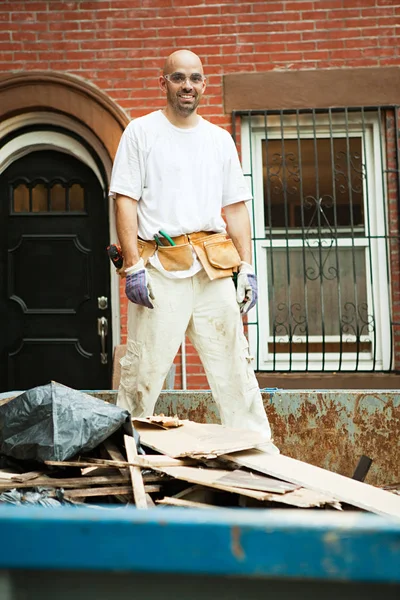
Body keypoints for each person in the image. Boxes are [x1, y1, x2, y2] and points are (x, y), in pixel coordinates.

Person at [109, 49, 273, 444]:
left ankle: (256, 453)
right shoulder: (141, 132)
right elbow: (124, 200)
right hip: (160, 269)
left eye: (195, 78)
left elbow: (235, 208)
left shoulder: (218, 141)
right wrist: (133, 267)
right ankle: (120, 452)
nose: (188, 86)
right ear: (163, 82)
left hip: (212, 267)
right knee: (143, 372)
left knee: (234, 368)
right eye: (179, 77)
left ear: (204, 84)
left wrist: (246, 267)